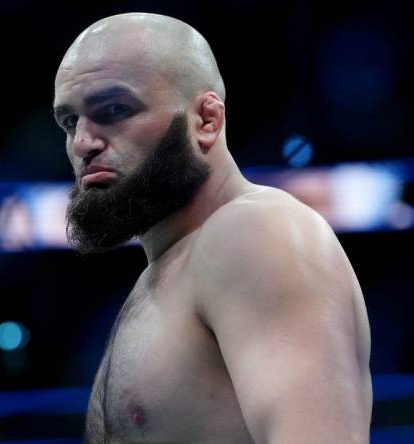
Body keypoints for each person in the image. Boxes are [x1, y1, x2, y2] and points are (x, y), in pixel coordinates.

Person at [53, 12, 372, 444]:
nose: (83, 143)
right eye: (70, 122)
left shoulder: (256, 230)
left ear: (206, 120)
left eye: (114, 110)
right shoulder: (170, 269)